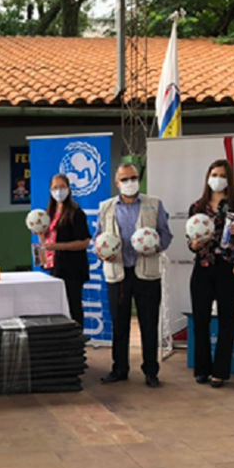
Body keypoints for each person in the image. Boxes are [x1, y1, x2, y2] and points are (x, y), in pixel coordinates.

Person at [96, 164, 173, 388]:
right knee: (119, 324)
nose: (130, 182)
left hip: (147, 273)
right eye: (125, 179)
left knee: (149, 324)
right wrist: (102, 253)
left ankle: (151, 371)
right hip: (118, 274)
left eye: (133, 178)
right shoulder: (106, 207)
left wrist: (155, 246)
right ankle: (119, 368)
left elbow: (166, 234)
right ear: (116, 182)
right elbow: (97, 238)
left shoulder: (154, 204)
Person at [188, 160, 234, 388]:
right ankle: (202, 369)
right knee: (201, 320)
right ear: (207, 177)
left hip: (228, 268)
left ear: (229, 178)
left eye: (222, 175)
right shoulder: (197, 207)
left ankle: (221, 372)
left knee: (226, 320)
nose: (218, 178)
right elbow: (191, 244)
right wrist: (196, 244)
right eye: (214, 174)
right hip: (203, 268)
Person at [39, 174, 92, 328]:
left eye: (62, 187)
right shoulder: (48, 213)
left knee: (73, 305)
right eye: (55, 188)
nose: (58, 191)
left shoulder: (76, 213)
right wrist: (41, 236)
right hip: (55, 267)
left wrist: (59, 246)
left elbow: (84, 242)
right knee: (58, 307)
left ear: (68, 189)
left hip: (73, 268)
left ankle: (77, 340)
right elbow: (46, 244)